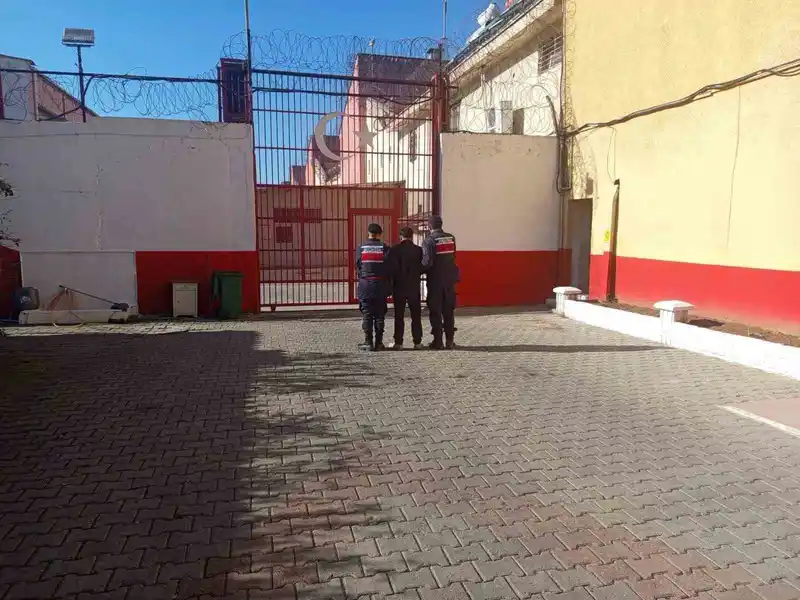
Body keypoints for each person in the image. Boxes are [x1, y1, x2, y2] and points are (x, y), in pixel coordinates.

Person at [422, 215, 459, 350]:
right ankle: (450, 341)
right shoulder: (451, 238)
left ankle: (438, 342)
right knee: (448, 311)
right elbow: (453, 256)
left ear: (429, 226)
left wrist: (417, 270)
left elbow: (427, 262)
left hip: (435, 281)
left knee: (436, 311)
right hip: (449, 281)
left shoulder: (429, 241)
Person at [355, 223, 391, 351]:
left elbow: (358, 266)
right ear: (380, 234)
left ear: (368, 233)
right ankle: (379, 343)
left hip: (365, 286)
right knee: (380, 315)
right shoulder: (385, 248)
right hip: (380, 285)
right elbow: (389, 267)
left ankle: (368, 342)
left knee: (367, 314)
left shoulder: (361, 248)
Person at [386, 226, 423, 350]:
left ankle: (398, 343)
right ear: (412, 236)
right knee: (416, 316)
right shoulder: (418, 250)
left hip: (399, 287)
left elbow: (390, 269)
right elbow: (422, 266)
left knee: (399, 316)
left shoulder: (394, 250)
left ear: (400, 237)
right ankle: (417, 342)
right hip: (414, 286)